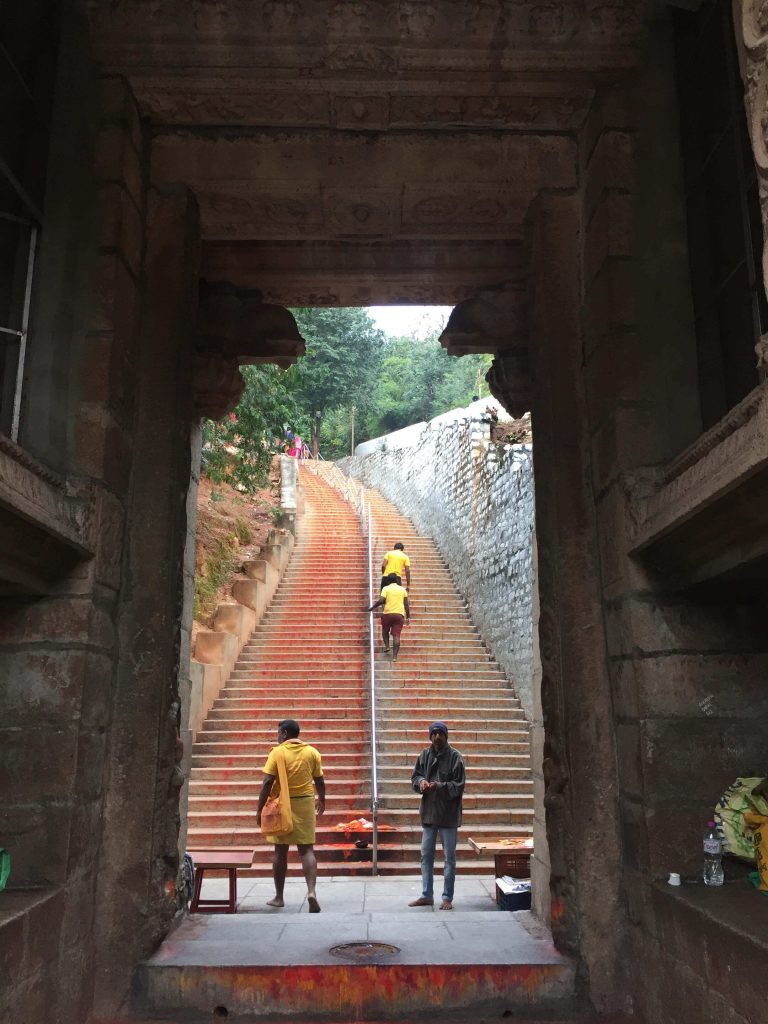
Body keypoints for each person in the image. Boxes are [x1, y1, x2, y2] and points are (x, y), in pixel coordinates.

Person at [256, 719, 325, 912]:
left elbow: (267, 782)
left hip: (281, 805)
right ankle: (311, 892)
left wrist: (259, 808)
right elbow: (319, 779)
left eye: (278, 733)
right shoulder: (312, 752)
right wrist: (323, 800)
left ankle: (279, 897)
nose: (277, 736)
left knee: (280, 850)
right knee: (306, 850)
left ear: (285, 734)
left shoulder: (277, 752)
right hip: (305, 803)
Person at [408, 722, 465, 911]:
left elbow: (458, 785)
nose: (437, 737)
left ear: (446, 736)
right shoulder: (424, 755)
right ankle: (427, 895)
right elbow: (415, 777)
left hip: (448, 816)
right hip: (429, 814)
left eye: (440, 733)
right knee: (426, 856)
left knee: (449, 858)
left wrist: (439, 786)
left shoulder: (456, 757)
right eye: (434, 734)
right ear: (430, 736)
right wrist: (422, 782)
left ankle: (447, 897)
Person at [367, 572, 410, 660]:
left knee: (384, 631)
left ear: (388, 580)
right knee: (396, 636)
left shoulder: (385, 588)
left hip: (387, 614)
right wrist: (408, 616)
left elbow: (381, 600)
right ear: (397, 580)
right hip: (399, 615)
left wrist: (372, 608)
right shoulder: (402, 590)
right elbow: (406, 604)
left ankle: (387, 646)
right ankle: (394, 657)